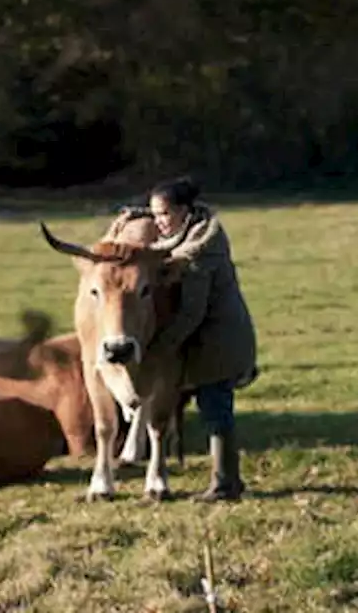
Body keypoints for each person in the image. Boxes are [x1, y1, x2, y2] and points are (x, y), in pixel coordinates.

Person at [135, 175, 259, 502]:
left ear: (185, 211)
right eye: (155, 214)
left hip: (219, 341)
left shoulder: (198, 255)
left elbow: (192, 313)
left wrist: (158, 350)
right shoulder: (190, 236)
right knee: (214, 408)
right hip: (210, 339)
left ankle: (225, 484)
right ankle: (226, 481)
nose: (158, 222)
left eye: (164, 214)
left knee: (216, 410)